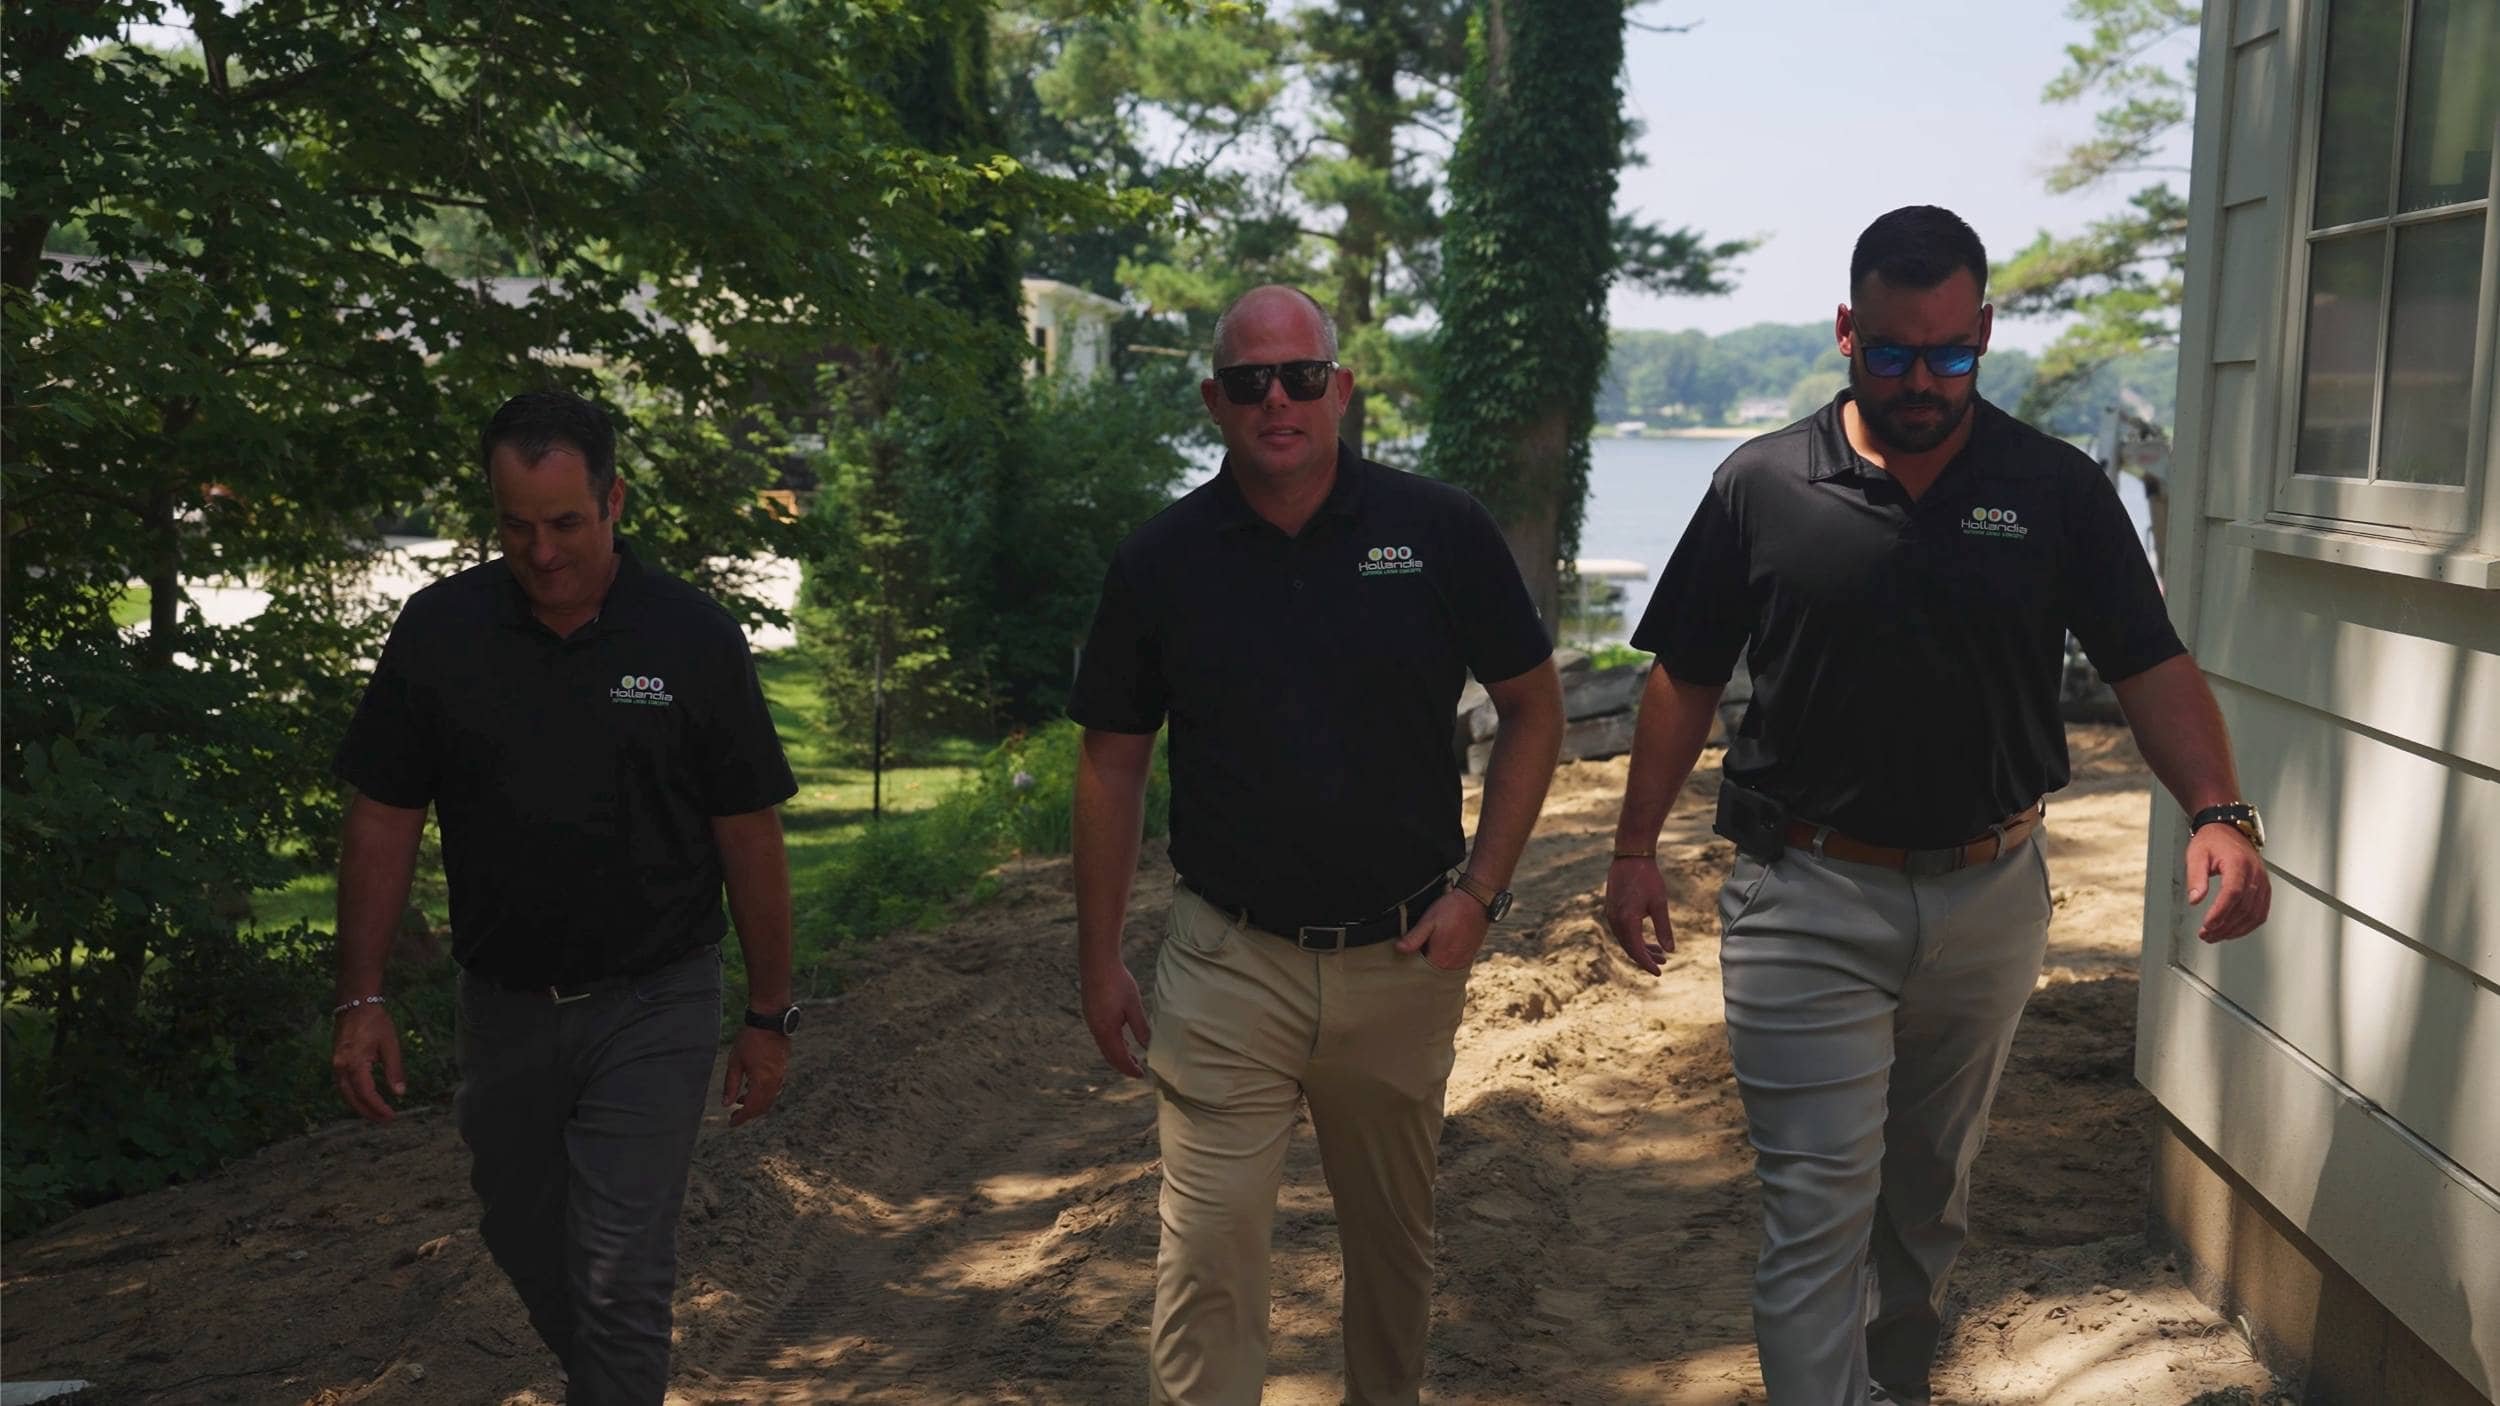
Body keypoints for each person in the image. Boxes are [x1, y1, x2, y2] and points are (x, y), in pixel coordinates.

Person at [1601, 206, 2271, 1406]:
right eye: (1893, 353)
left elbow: (2149, 662)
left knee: (1923, 1201)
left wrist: (2221, 809)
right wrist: (1634, 846)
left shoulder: (2053, 488)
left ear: (1985, 334)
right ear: (1847, 331)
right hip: (1803, 892)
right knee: (1817, 1207)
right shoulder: (1760, 483)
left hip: (1991, 897)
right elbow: (1683, 674)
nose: (1921, 381)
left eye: (1949, 354)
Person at [1071, 285, 1565, 1405]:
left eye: (1300, 376)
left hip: (1403, 955)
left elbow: (1533, 707)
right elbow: (1110, 758)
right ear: (1215, 400)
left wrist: (1481, 892)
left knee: (1393, 1257)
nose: (1277, 400)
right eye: (1250, 382)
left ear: (1341, 389)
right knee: (1205, 1261)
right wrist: (1096, 956)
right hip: (1226, 955)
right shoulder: (1162, 560)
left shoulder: (1437, 530)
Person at [328, 390, 804, 1405]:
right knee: (522, 1228)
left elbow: (749, 834)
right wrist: (360, 996)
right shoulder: (442, 632)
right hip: (502, 1007)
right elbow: (382, 815)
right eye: (514, 525)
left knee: (622, 1266)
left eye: (564, 523)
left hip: (655, 998)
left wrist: (767, 1013)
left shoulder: (689, 639)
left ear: (614, 500)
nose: (540, 552)